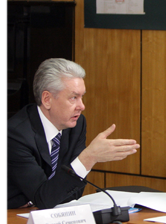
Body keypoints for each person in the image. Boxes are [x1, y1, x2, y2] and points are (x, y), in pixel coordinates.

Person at [5, 58, 140, 209]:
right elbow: (44, 199)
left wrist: (42, 196)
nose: (81, 106)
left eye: (82, 97)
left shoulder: (76, 124)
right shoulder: (15, 134)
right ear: (47, 99)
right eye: (73, 98)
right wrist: (89, 157)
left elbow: (73, 193)